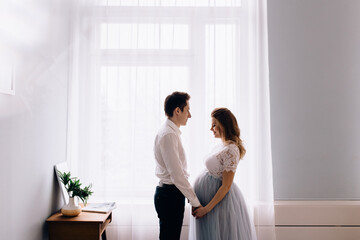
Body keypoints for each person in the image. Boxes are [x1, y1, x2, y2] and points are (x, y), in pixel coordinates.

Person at [190, 108, 257, 240]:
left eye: (214, 124)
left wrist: (206, 209)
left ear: (224, 125)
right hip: (210, 204)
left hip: (219, 206)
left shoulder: (231, 149)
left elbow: (226, 185)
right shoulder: (222, 146)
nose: (211, 128)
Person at [154, 91, 202, 240]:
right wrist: (195, 202)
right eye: (187, 110)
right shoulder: (169, 134)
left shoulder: (169, 132)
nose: (190, 115)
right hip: (170, 196)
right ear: (177, 111)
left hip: (170, 194)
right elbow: (177, 175)